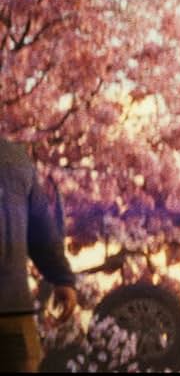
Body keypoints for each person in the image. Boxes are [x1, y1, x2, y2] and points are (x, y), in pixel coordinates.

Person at [0, 138, 78, 372]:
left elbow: (39, 227)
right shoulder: (16, 158)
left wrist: (61, 276)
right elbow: (41, 227)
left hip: (14, 311)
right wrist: (61, 277)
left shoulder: (16, 159)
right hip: (14, 310)